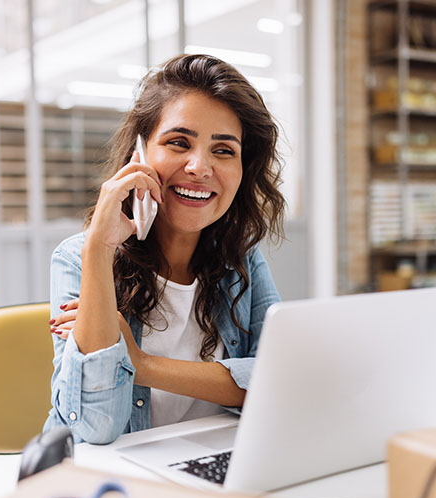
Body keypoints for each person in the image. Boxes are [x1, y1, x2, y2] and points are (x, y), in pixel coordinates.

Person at [43, 54, 286, 444]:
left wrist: (140, 364)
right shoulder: (79, 257)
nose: (199, 167)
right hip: (114, 479)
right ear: (138, 155)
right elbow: (94, 427)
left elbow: (276, 383)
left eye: (223, 150)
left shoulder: (240, 260)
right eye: (178, 142)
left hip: (209, 463)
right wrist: (99, 249)